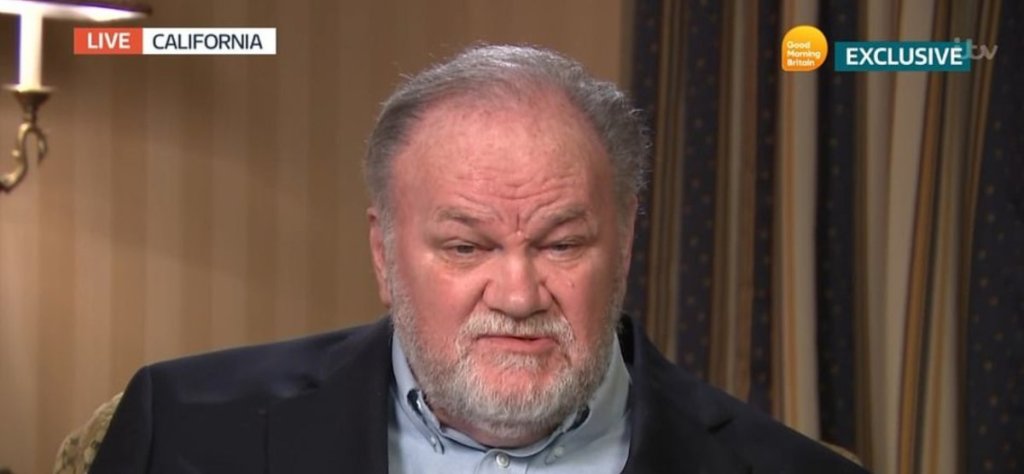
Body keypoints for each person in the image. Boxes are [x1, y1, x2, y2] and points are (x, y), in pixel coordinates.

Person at [91, 45, 869, 473]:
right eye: (467, 247)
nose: (519, 295)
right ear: (384, 253)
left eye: (561, 243)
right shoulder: (183, 428)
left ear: (627, 240)